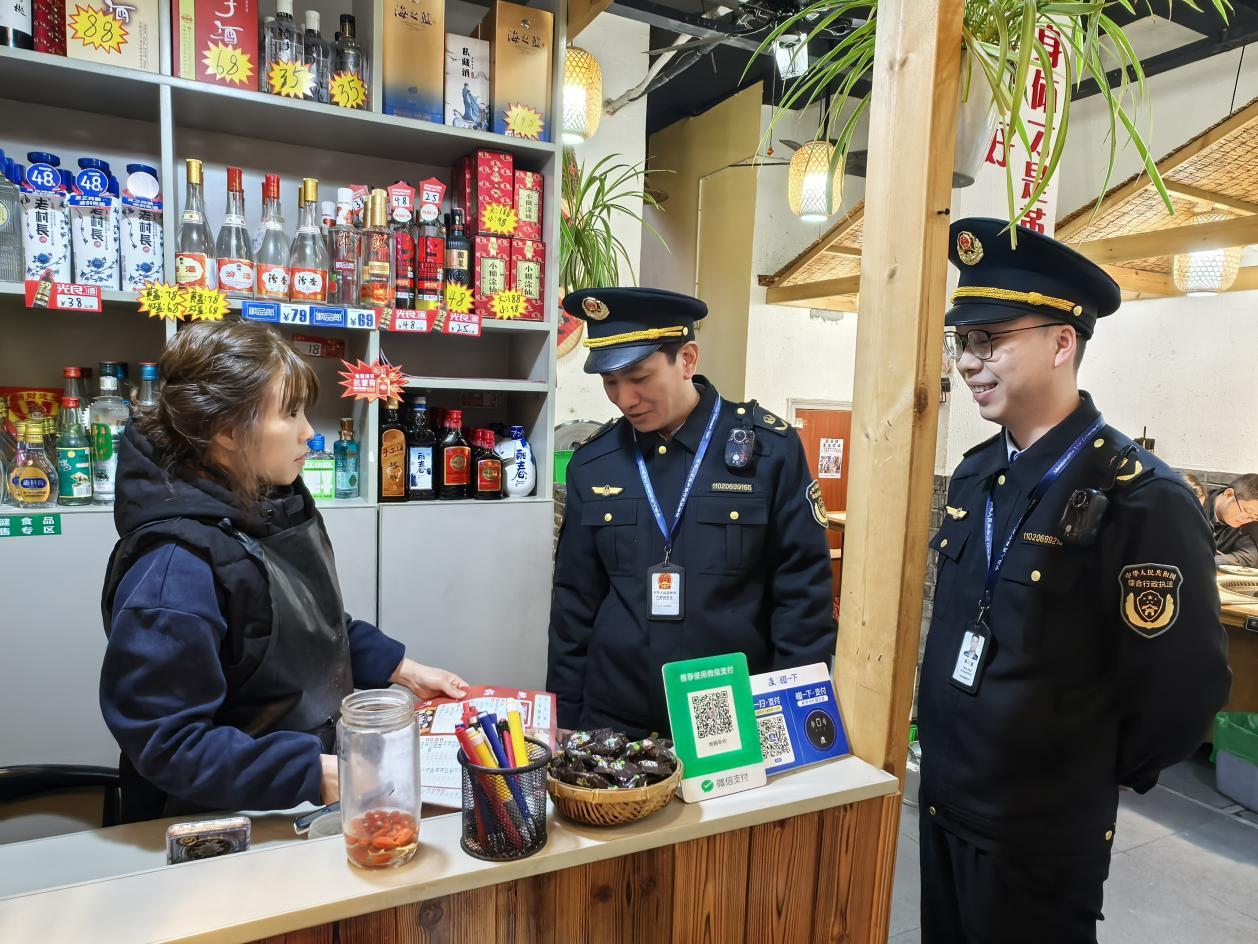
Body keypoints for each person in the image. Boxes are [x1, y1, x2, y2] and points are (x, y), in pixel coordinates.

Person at [918, 219, 1230, 943]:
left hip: (1040, 832)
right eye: (962, 342)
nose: (969, 362)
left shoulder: (1139, 497)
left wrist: (1080, 772)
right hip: (946, 804)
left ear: (1062, 342)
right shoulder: (976, 475)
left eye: (990, 339)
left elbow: (1183, 689)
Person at [100, 321, 468, 823]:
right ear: (227, 430)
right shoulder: (175, 568)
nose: (309, 432)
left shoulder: (268, 504)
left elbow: (302, 626)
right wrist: (315, 772)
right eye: (290, 413)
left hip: (296, 796)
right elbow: (170, 743)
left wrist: (401, 669)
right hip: (220, 823)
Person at [547, 287, 836, 738]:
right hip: (614, 717)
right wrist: (563, 717)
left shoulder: (768, 452)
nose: (624, 399)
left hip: (731, 716)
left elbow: (802, 595)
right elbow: (574, 602)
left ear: (686, 359)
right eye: (610, 382)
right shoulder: (594, 463)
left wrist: (797, 719)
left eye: (639, 377)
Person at [1205, 473, 1258, 567]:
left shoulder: (1248, 522)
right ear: (1228, 494)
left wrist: (1210, 561)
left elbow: (1249, 557)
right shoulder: (1196, 506)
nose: (1248, 519)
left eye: (1255, 516)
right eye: (1248, 511)